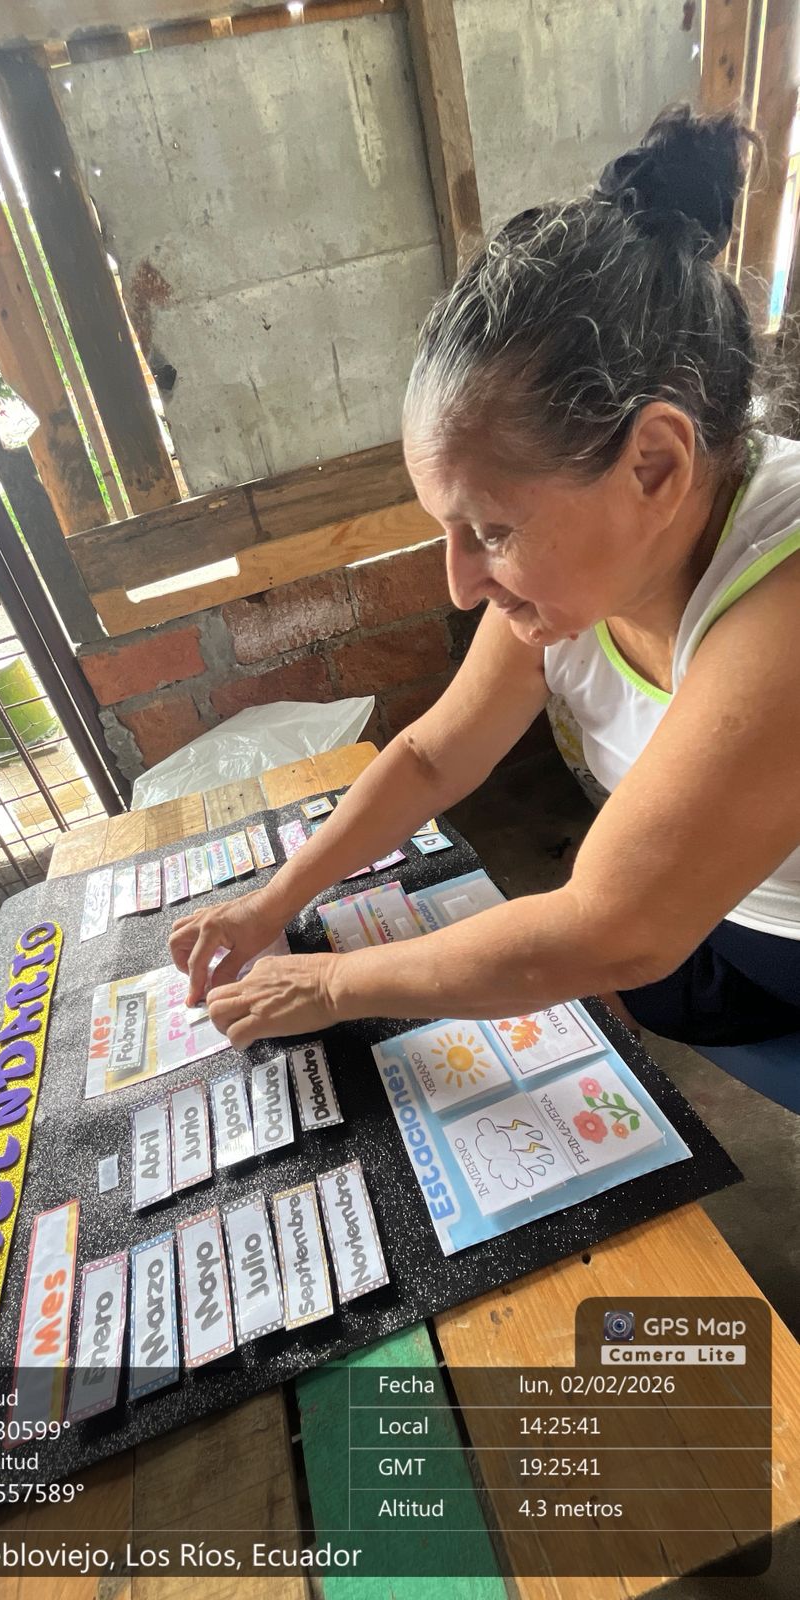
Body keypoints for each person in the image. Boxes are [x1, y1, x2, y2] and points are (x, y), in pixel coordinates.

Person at [170, 105, 800, 1053]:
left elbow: (612, 929)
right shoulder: (590, 560)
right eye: (448, 531)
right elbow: (435, 757)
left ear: (654, 467)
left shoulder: (783, 601)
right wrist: (271, 902)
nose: (463, 584)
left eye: (492, 532)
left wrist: (335, 982)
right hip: (709, 925)